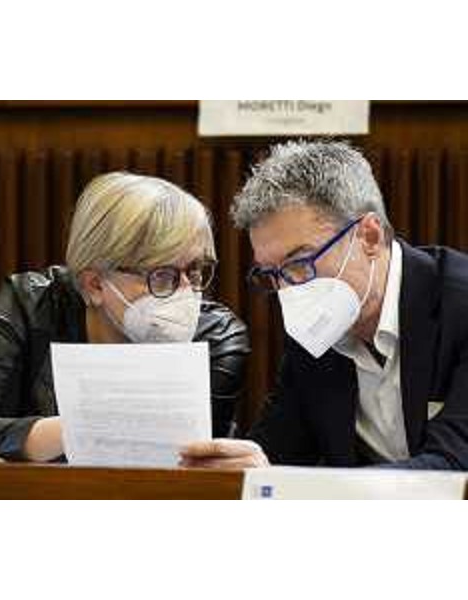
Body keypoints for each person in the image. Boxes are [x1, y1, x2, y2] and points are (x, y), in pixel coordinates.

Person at [180, 140, 468, 471]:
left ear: (370, 237)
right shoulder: (316, 330)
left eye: (300, 263)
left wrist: (289, 484)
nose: (289, 289)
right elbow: (276, 453)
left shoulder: (459, 304)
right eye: (272, 274)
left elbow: (454, 466)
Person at [0, 172, 250, 462]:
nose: (186, 292)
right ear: (95, 284)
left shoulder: (218, 337)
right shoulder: (31, 305)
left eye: (194, 270)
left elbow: (189, 468)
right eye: (162, 275)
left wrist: (12, 463)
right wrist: (86, 428)